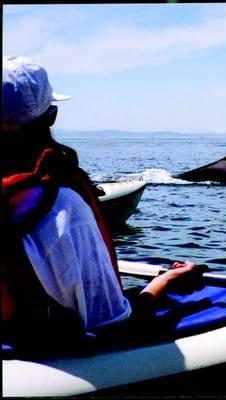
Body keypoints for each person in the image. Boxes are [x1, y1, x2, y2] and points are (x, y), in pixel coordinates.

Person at [1, 56, 201, 353]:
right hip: (49, 355)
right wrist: (167, 281)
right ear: (48, 118)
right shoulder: (61, 204)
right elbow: (112, 323)